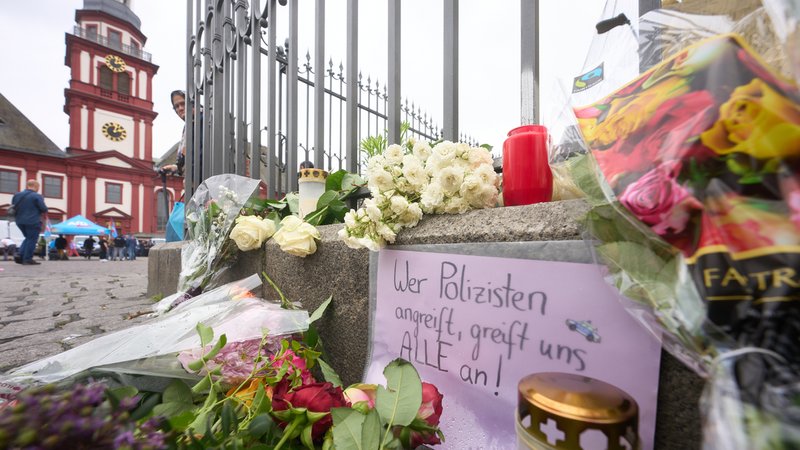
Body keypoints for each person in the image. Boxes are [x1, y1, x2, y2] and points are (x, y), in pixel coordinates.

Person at [11, 180, 48, 265]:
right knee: (32, 239)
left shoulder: (17, 195)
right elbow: (43, 208)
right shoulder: (37, 196)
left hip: (19, 221)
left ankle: (20, 256)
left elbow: (14, 206)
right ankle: (27, 259)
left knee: (28, 238)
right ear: (36, 186)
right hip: (32, 221)